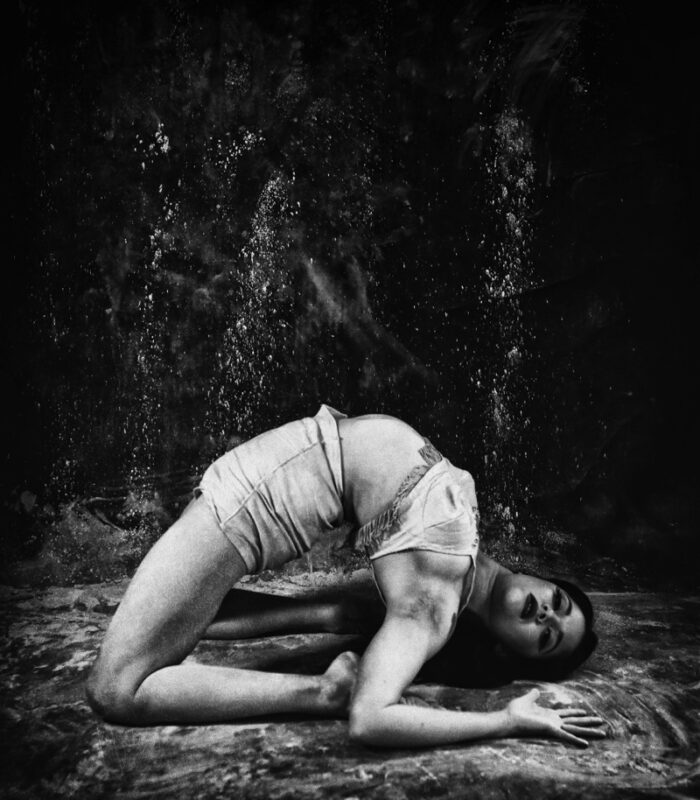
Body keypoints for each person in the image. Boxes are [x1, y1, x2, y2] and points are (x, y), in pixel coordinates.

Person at [86, 405, 605, 748]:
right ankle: (160, 627)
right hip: (265, 479)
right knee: (170, 622)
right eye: (558, 603)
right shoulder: (465, 547)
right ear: (543, 581)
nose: (546, 614)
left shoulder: (434, 600)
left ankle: (323, 692)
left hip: (251, 504)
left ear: (509, 651)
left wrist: (506, 721)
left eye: (547, 637)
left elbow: (371, 719)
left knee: (116, 689)